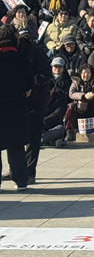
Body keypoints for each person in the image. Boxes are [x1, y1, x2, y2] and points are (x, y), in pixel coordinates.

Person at [0, 25, 34, 191]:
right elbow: (29, 85)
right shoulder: (21, 59)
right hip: (16, 107)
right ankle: (21, 181)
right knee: (16, 145)